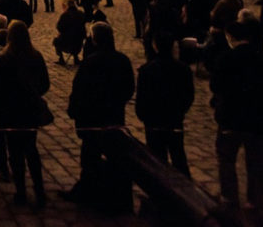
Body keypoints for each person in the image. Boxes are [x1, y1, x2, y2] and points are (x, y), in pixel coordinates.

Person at [64, 22, 135, 213]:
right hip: (114, 115)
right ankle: (110, 194)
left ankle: (90, 192)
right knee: (113, 155)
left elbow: (80, 89)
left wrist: (74, 110)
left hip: (92, 117)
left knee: (90, 156)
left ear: (95, 40)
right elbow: (129, 88)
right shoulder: (122, 60)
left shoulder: (91, 62)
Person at [211, 21, 263, 210]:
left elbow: (216, 86)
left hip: (231, 118)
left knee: (226, 159)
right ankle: (256, 198)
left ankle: (229, 196)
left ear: (230, 37)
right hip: (258, 118)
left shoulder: (225, 58)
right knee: (256, 160)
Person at [0, 20, 49, 207]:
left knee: (15, 152)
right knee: (31, 150)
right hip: (30, 109)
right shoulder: (36, 56)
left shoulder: (4, 59)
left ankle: (21, 191)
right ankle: (39, 190)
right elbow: (45, 84)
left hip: (11, 110)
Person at [135, 31, 194, 176]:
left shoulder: (147, 70)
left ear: (155, 46)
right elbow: (188, 95)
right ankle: (184, 185)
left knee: (156, 159)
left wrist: (143, 115)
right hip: (175, 119)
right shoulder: (183, 69)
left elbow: (142, 96)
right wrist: (181, 111)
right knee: (178, 156)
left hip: (153, 121)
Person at [53, 0, 85, 65]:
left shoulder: (65, 15)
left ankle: (61, 58)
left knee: (55, 41)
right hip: (79, 40)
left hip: (66, 41)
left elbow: (59, 27)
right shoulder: (81, 14)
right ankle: (75, 57)